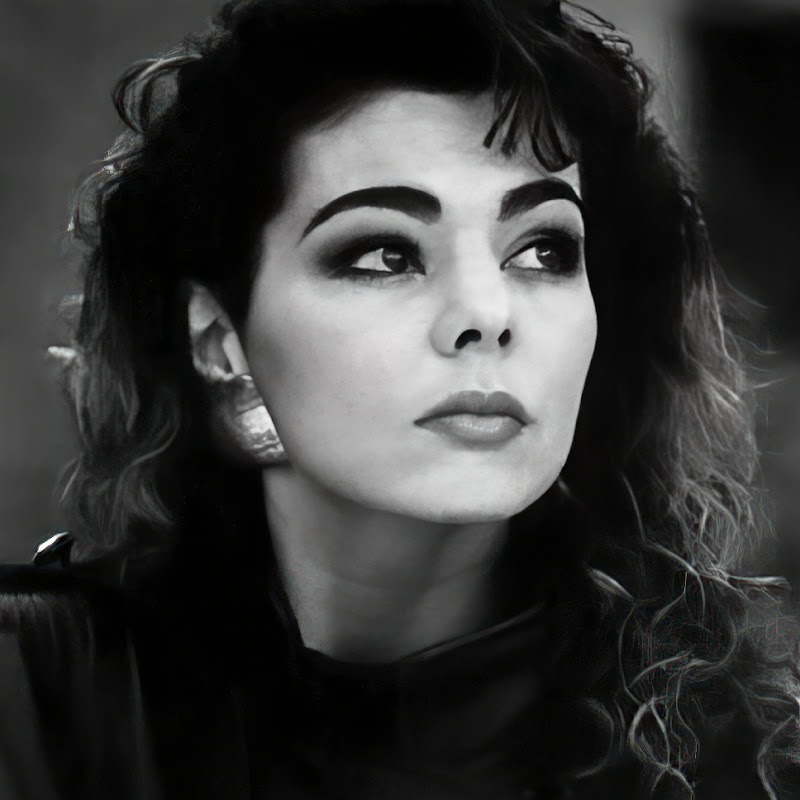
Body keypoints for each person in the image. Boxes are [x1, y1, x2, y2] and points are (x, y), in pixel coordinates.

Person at [1, 0, 799, 797]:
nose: (487, 313)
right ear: (221, 340)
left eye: (543, 249)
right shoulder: (38, 698)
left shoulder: (736, 758)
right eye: (386, 254)